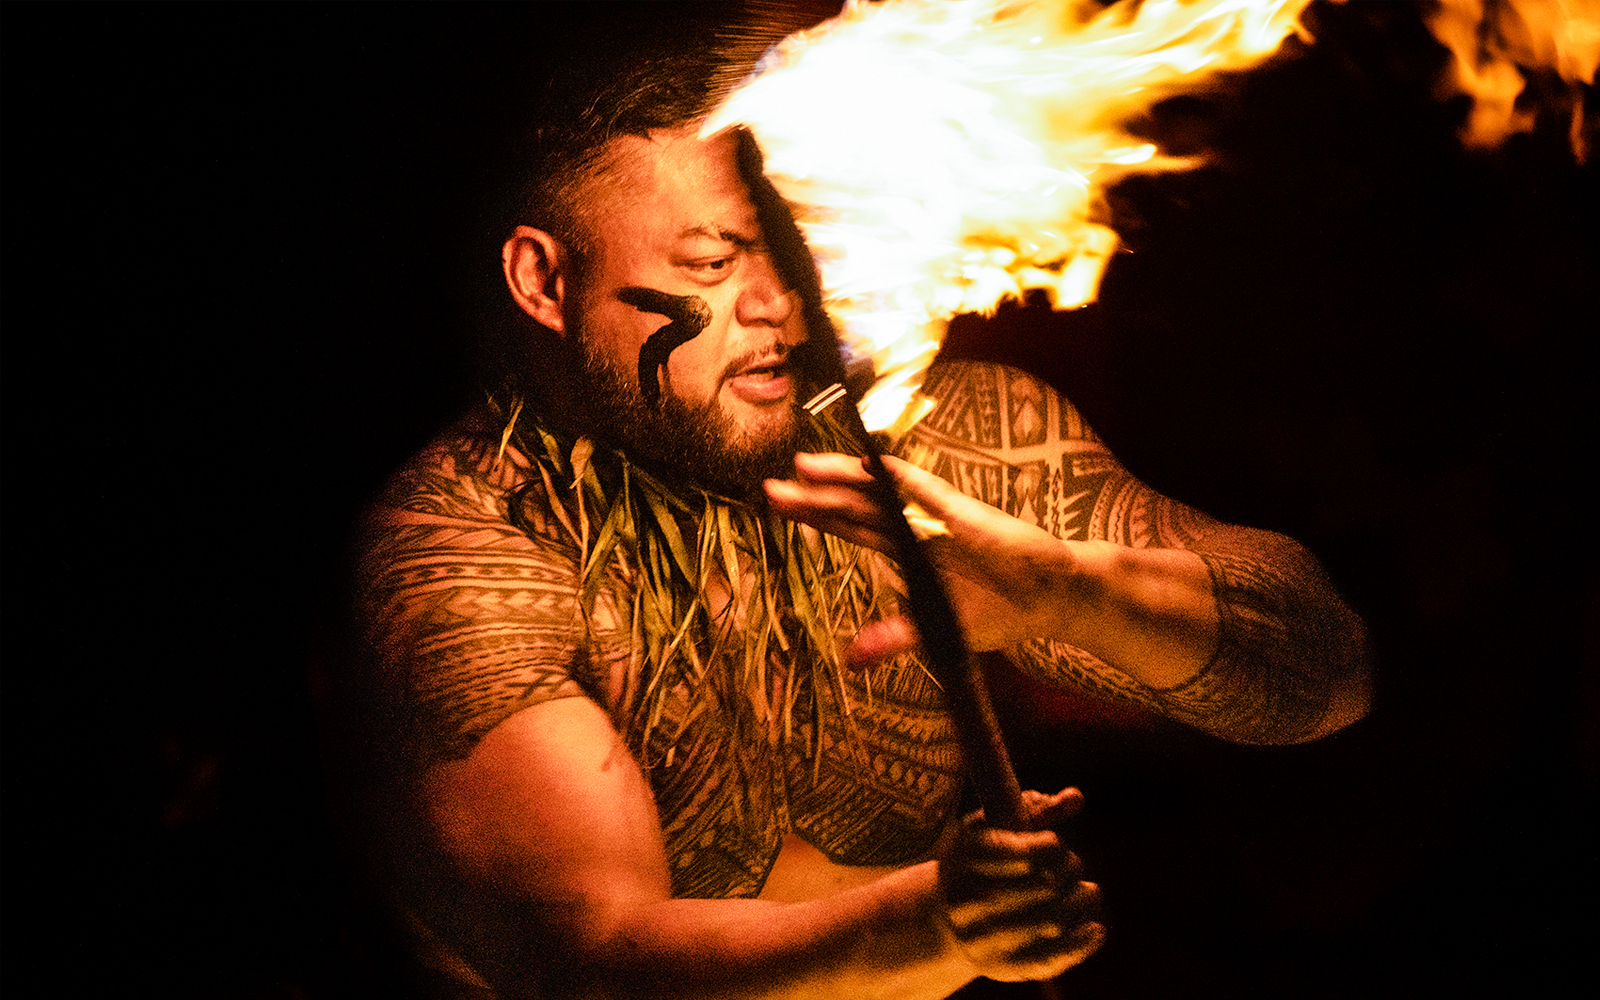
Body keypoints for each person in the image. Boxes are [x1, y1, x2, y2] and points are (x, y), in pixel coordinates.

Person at [344, 40, 1370, 1000]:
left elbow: (1327, 681)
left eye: (793, 251)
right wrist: (940, 926)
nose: (778, 305)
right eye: (711, 264)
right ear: (544, 279)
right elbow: (592, 962)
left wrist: (1074, 588)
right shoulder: (468, 550)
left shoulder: (938, 444)